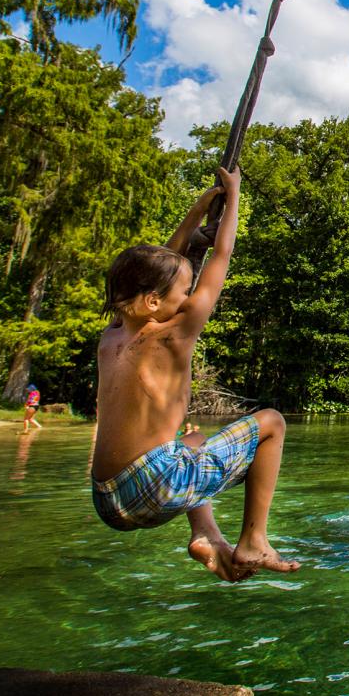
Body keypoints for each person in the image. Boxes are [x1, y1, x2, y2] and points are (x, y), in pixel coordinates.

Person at [91, 167, 297, 582]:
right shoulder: (174, 333)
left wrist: (199, 211)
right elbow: (221, 257)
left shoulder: (111, 335)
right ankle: (254, 539)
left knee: (194, 440)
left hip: (107, 499)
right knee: (272, 424)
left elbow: (158, 268)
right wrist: (233, 197)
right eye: (183, 293)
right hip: (154, 488)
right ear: (153, 302)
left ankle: (206, 535)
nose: (188, 298)